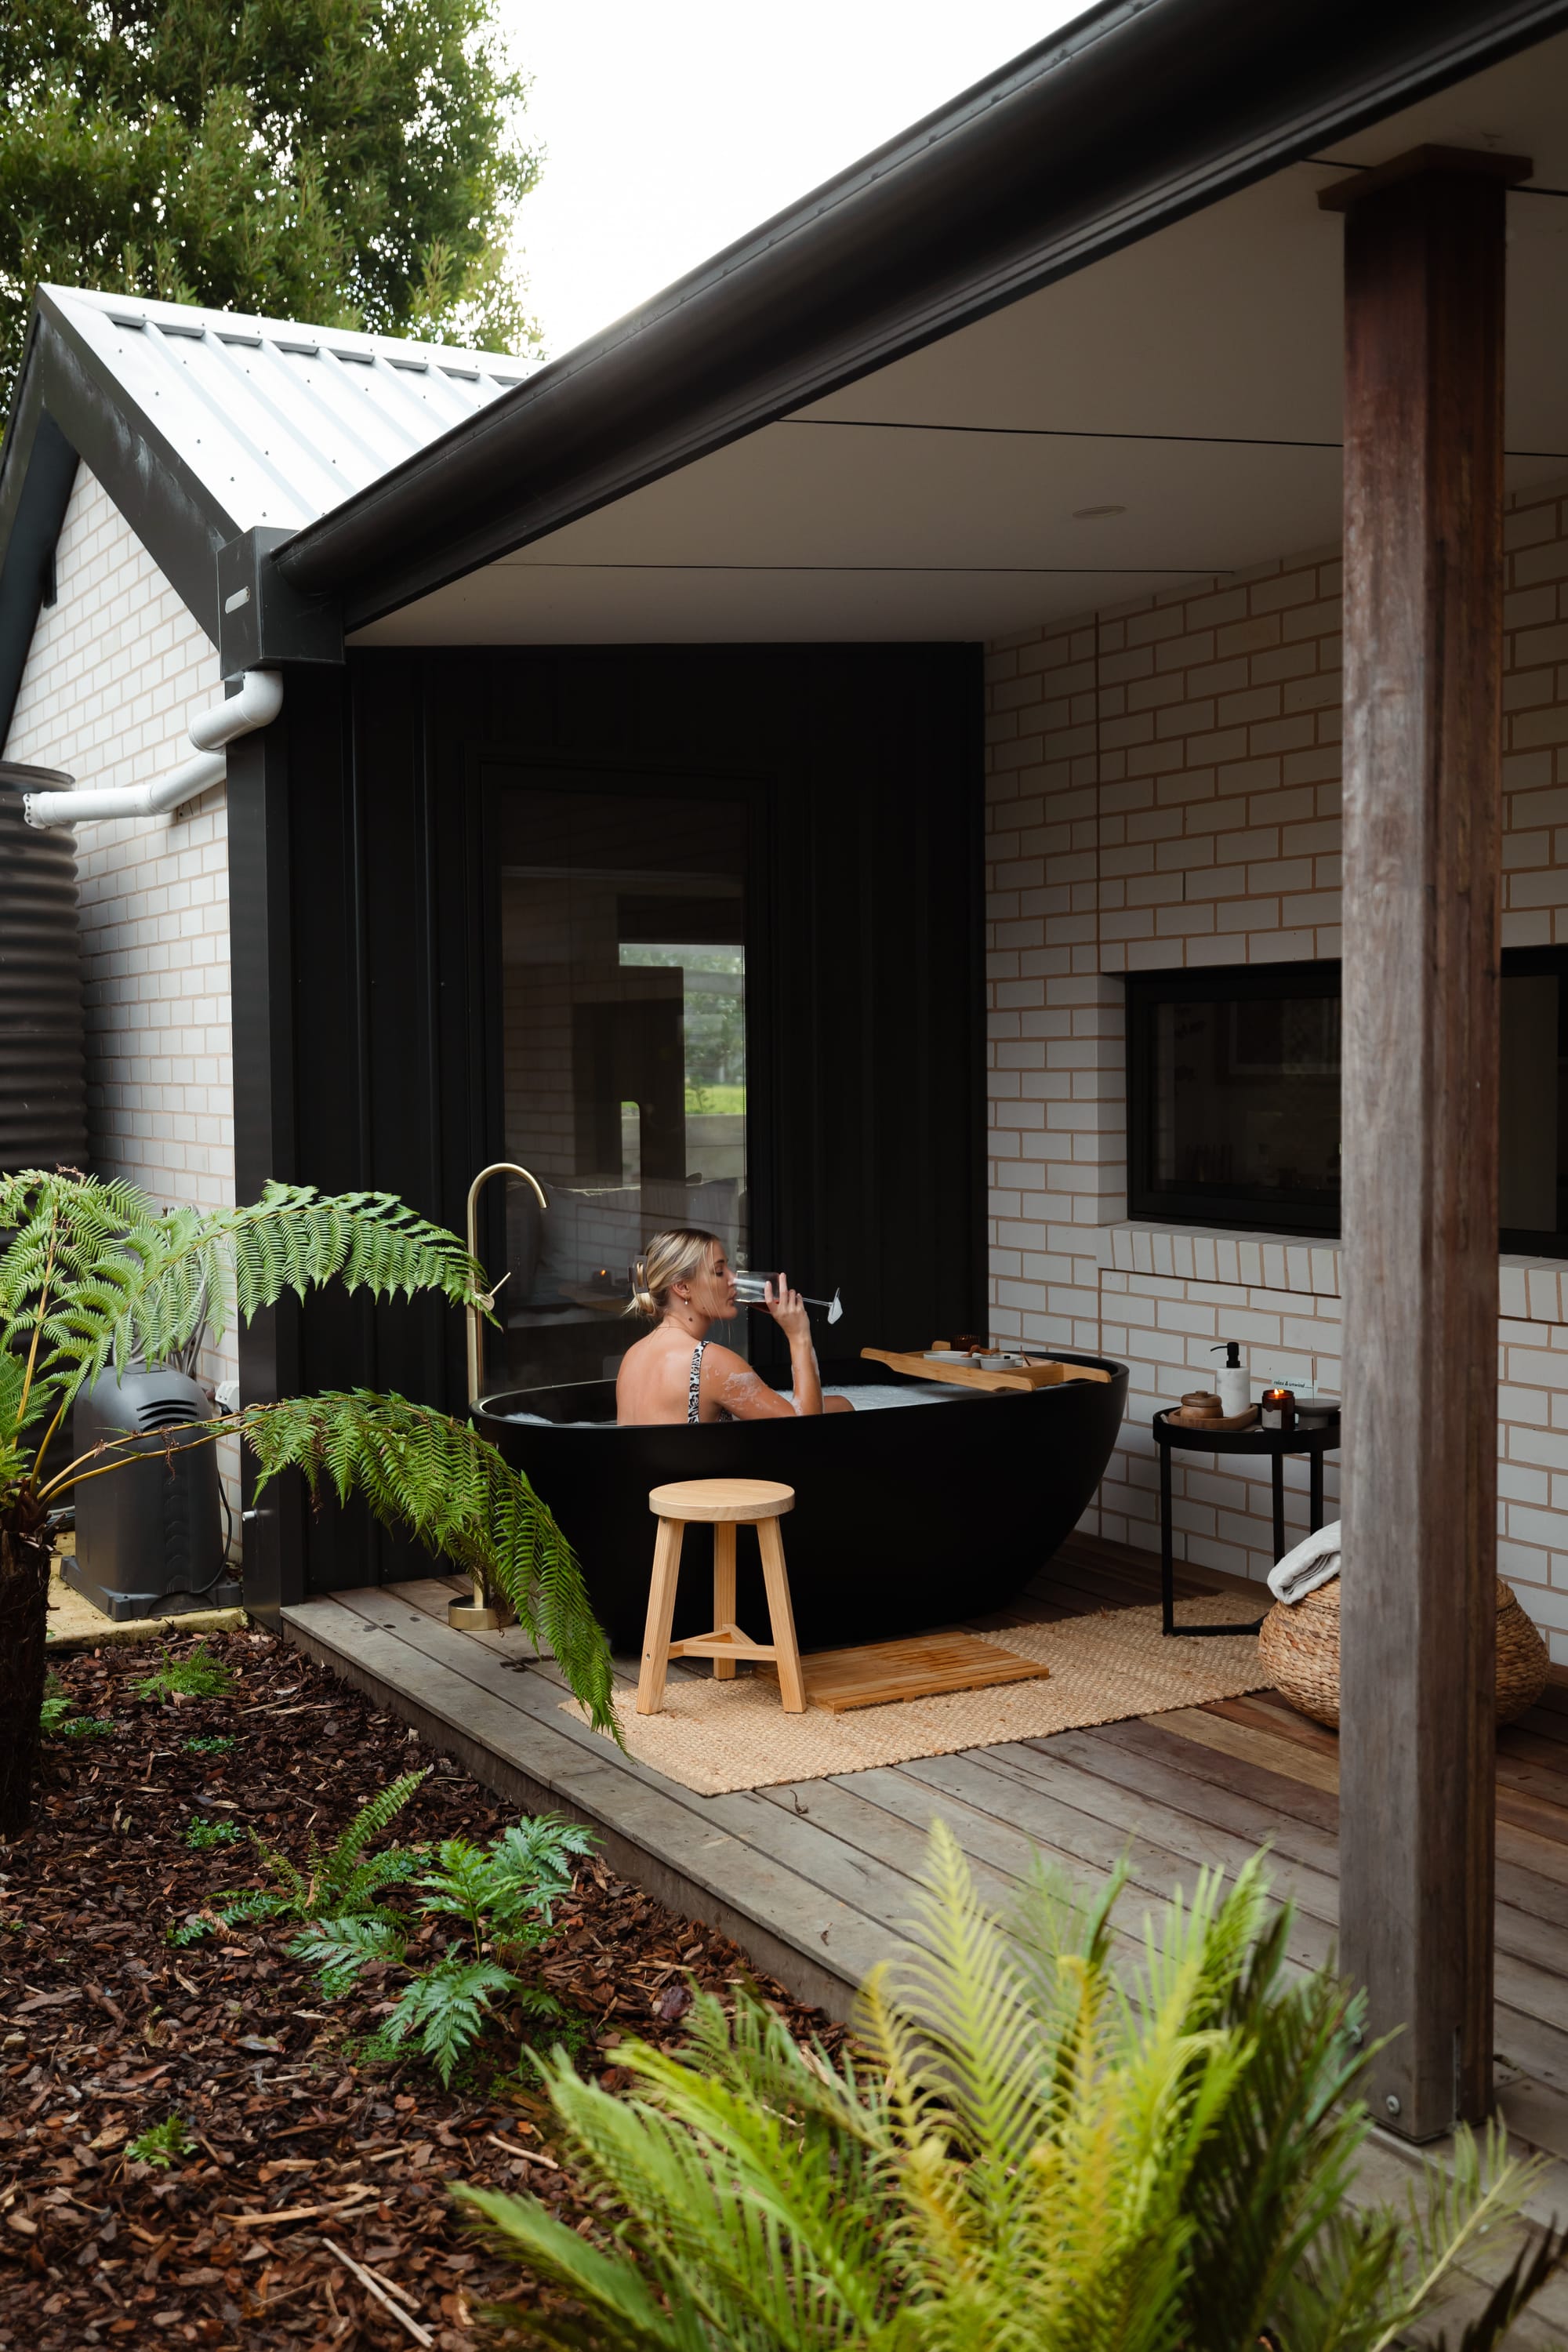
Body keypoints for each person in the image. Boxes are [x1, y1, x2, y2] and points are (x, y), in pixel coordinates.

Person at [615, 1228, 853, 1425]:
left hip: (649, 1472)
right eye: (719, 1272)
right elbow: (804, 1432)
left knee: (839, 1405)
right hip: (698, 1471)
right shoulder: (709, 1362)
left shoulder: (632, 1356)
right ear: (683, 1287)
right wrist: (799, 1335)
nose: (733, 1279)